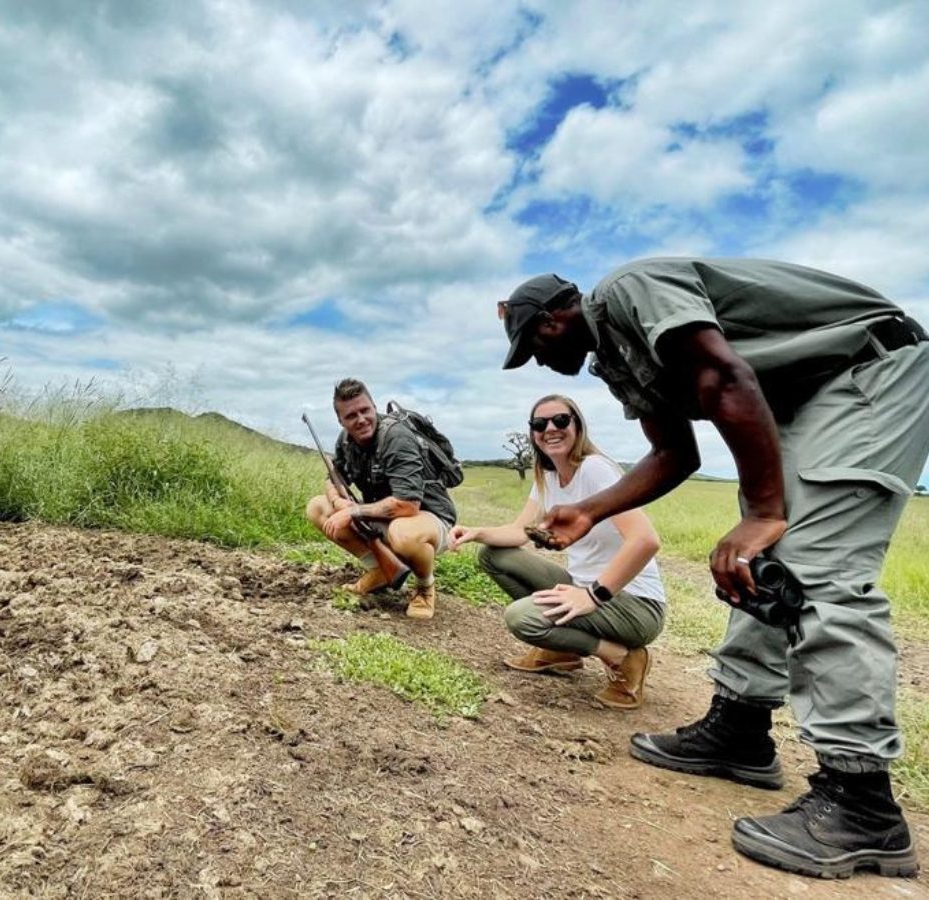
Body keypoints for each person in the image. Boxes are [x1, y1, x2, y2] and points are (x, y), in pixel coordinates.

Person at [499, 258, 929, 879]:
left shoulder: (627, 292)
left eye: (532, 346)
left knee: (817, 569)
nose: (538, 364)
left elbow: (725, 377)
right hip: (801, 400)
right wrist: (589, 511)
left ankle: (862, 802)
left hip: (867, 373)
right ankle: (741, 730)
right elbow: (675, 452)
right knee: (761, 563)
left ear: (555, 318)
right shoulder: (618, 359)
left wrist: (760, 509)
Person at [451, 394, 666, 709]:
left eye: (560, 420)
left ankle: (624, 656)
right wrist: (476, 532)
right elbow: (519, 532)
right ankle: (563, 651)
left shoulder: (595, 469)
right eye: (540, 423)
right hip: (583, 587)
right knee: (492, 555)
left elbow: (646, 540)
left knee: (522, 619)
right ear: (533, 433)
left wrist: (591, 596)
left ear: (577, 425)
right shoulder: (547, 475)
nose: (550, 428)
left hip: (635, 605)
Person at [306, 378, 457, 620]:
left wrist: (353, 512)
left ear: (373, 406)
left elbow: (408, 505)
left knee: (403, 533)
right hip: (385, 517)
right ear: (340, 420)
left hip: (428, 519)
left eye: (365, 410)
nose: (361, 419)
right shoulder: (345, 440)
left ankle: (424, 588)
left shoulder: (397, 438)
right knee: (318, 507)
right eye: (351, 415)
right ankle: (379, 570)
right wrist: (338, 503)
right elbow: (332, 478)